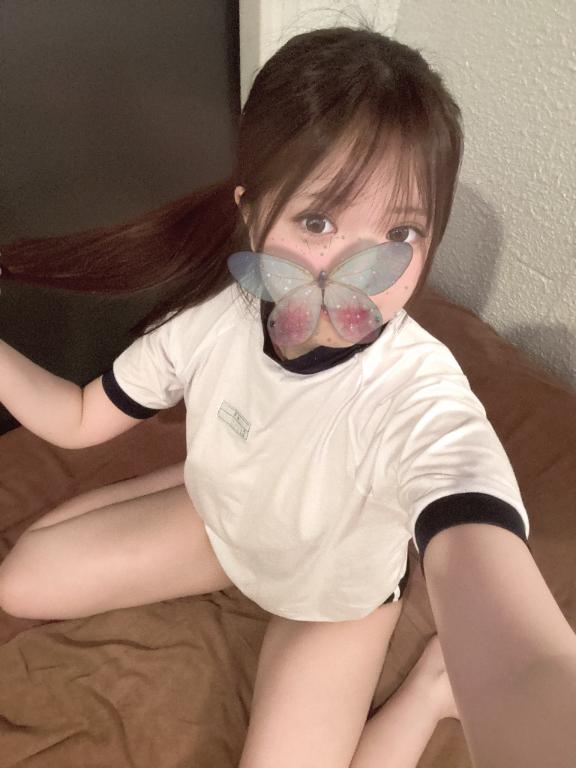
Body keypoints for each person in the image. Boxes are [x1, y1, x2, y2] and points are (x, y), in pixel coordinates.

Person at [0, 21, 575, 768]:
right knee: (20, 583)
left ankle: (430, 690)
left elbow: (479, 539)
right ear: (251, 211)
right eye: (317, 220)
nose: (355, 267)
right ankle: (217, 476)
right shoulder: (214, 321)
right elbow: (80, 418)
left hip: (330, 602)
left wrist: (530, 692)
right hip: (224, 529)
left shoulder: (417, 394)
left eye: (401, 233)